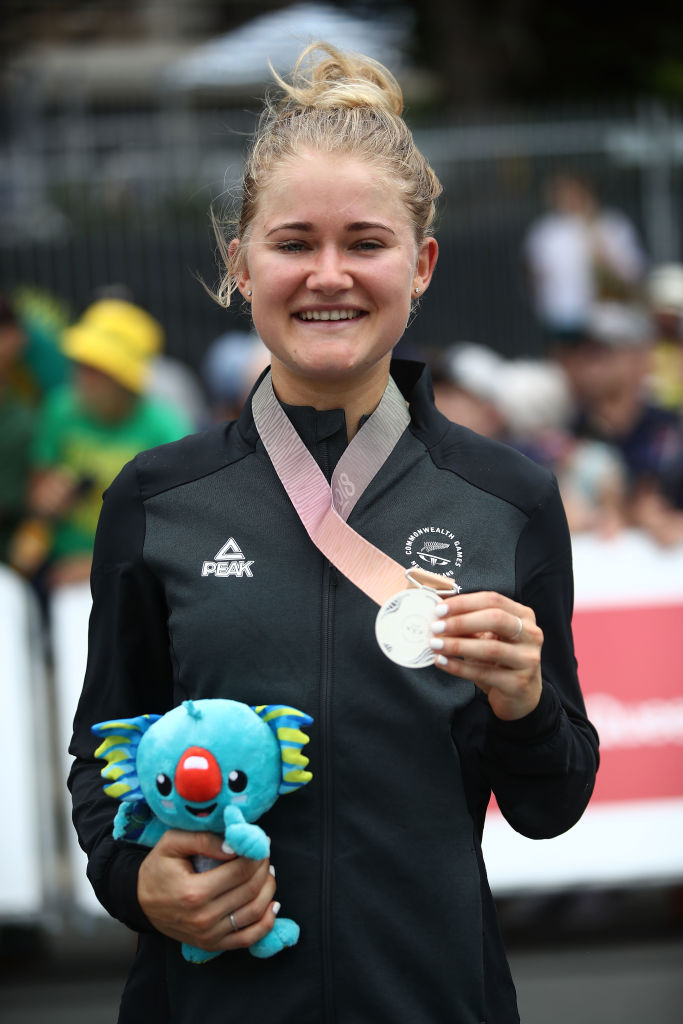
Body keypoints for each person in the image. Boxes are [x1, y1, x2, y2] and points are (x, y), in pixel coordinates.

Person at [68, 43, 599, 1024]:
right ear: (238, 262)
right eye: (291, 242)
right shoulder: (155, 498)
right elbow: (104, 763)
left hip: (433, 998)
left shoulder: (507, 497)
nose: (328, 275)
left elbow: (548, 802)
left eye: (363, 241)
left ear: (421, 262)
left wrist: (525, 702)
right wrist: (136, 881)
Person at [12, 298, 193, 589]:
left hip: (133, 576)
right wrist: (45, 496)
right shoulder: (59, 410)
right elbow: (35, 489)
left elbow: (177, 524)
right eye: (81, 364)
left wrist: (95, 565)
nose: (82, 377)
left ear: (124, 379)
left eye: (97, 368)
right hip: (58, 570)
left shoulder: (166, 428)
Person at [523, 171, 646, 343]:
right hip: (562, 313)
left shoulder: (610, 224)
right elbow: (535, 271)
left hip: (609, 316)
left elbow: (632, 268)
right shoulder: (547, 231)